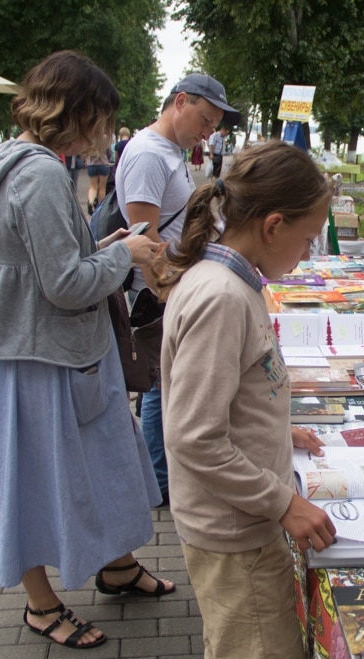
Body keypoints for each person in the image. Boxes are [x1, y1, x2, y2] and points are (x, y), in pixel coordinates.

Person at [0, 50, 173, 651]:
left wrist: (104, 244)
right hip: (49, 354)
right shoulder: (39, 176)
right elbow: (65, 285)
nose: (104, 134)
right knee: (37, 479)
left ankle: (117, 565)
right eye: (100, 119)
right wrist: (125, 256)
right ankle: (40, 604)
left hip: (54, 349)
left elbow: (50, 264)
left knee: (105, 462)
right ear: (74, 111)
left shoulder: (16, 162)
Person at [156, 141, 337, 659]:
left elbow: (232, 396)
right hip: (236, 533)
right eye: (307, 239)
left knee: (234, 658)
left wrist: (280, 429)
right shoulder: (222, 298)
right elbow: (194, 437)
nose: (306, 254)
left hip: (236, 525)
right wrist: (283, 503)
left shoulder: (233, 282)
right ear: (273, 225)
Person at [115, 72, 241, 505]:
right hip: (158, 289)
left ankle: (160, 476)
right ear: (180, 102)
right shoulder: (150, 155)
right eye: (205, 121)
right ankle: (159, 482)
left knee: (164, 383)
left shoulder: (169, 151)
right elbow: (145, 241)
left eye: (213, 127)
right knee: (158, 386)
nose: (207, 133)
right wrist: (168, 292)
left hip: (171, 284)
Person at [84, 143, 112, 215]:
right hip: (103, 164)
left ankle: (91, 203)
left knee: (93, 187)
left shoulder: (90, 138)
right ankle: (100, 208)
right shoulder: (105, 138)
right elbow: (109, 152)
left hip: (92, 165)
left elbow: (84, 152)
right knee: (102, 188)